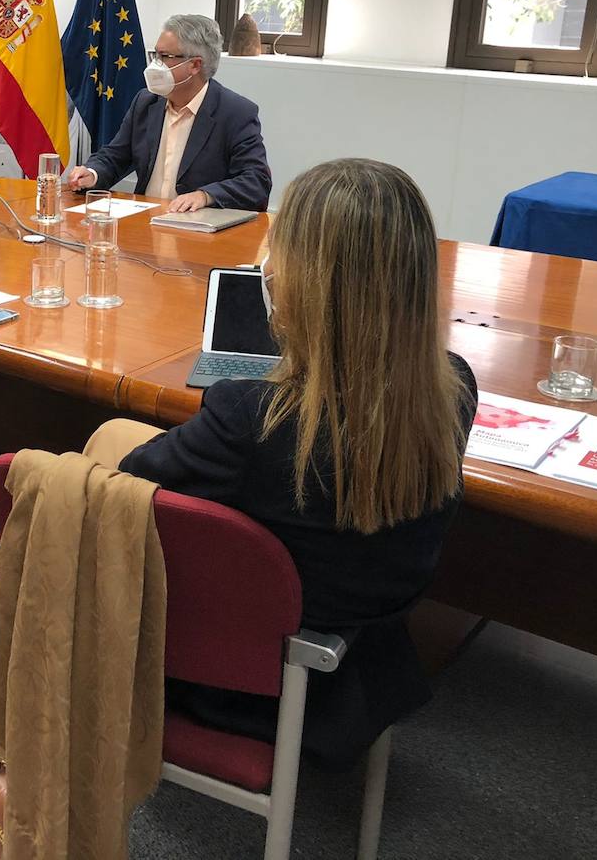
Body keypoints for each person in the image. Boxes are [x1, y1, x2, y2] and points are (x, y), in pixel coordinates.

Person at [84, 159, 478, 766]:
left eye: (277, 250)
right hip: (369, 652)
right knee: (117, 434)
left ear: (302, 283)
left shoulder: (252, 417)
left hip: (253, 676)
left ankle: (85, 686)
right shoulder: (452, 387)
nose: (266, 266)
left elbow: (130, 483)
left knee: (100, 469)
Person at [65, 13, 272, 213]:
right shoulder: (146, 102)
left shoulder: (235, 112)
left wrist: (205, 196)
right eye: (155, 55)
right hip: (144, 220)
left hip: (195, 227)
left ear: (195, 65)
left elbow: (256, 182)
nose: (155, 64)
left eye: (165, 57)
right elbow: (115, 156)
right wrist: (92, 173)